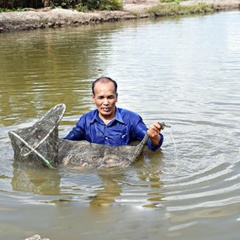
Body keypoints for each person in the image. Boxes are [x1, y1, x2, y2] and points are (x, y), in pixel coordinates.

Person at [64, 77, 163, 151]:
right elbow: (66, 143)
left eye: (110, 97)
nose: (106, 103)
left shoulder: (131, 119)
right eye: (101, 97)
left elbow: (151, 143)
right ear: (93, 98)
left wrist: (154, 137)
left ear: (116, 97)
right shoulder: (86, 120)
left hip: (123, 167)